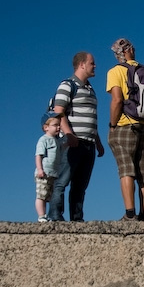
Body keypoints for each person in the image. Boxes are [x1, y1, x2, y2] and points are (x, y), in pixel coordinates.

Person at [106, 37, 144, 221]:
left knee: (126, 168)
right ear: (131, 51)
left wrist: (112, 125)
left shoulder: (115, 71)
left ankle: (130, 214)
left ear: (119, 54)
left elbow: (117, 100)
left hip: (124, 125)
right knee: (143, 171)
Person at [49, 52, 105, 221]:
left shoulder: (90, 89)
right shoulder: (68, 85)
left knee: (80, 185)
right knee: (62, 180)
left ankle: (77, 218)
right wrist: (69, 134)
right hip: (72, 142)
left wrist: (98, 142)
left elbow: (90, 117)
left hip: (89, 144)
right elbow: (58, 111)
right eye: (92, 63)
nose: (95, 66)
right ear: (81, 64)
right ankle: (55, 216)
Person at [34, 112, 62, 222]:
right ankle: (41, 216)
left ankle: (45, 216)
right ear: (46, 127)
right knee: (41, 195)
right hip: (44, 172)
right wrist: (40, 169)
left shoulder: (56, 141)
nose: (58, 127)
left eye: (59, 125)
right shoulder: (43, 139)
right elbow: (38, 155)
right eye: (55, 125)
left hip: (52, 173)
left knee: (47, 196)